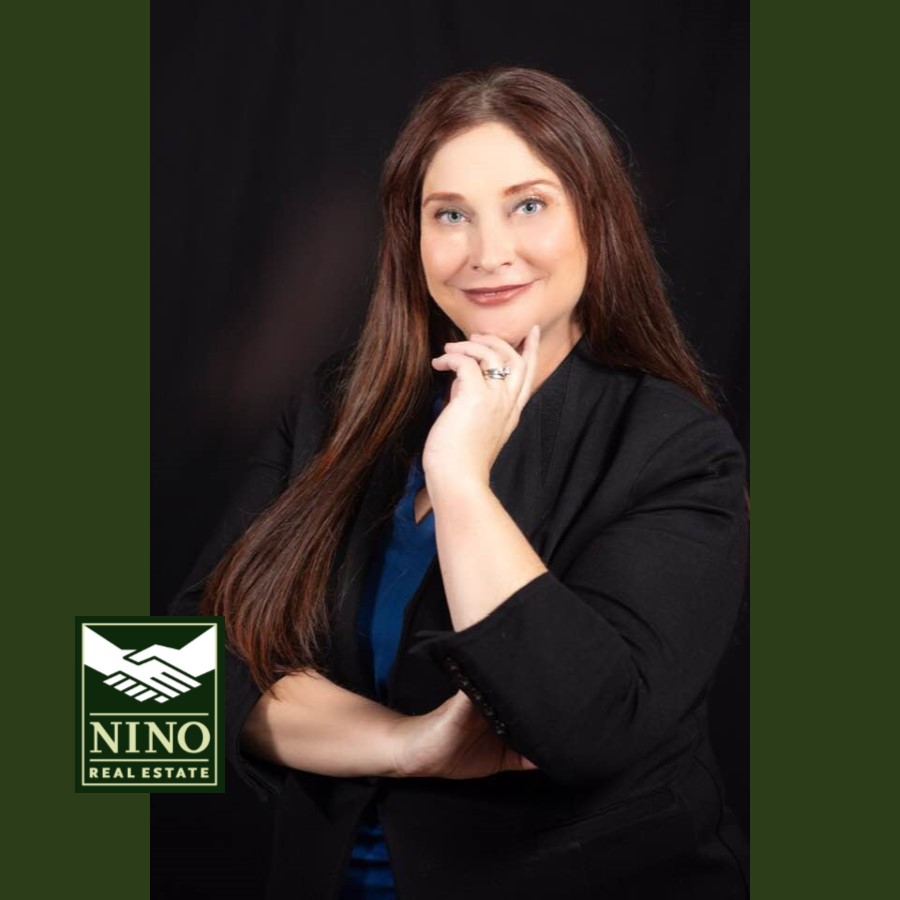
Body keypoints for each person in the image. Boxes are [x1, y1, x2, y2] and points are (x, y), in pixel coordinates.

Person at [170, 66, 749, 899]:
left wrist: (461, 480)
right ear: (411, 237)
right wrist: (405, 744)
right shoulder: (333, 407)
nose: (487, 253)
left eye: (529, 205)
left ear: (596, 219)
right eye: (450, 214)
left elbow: (585, 731)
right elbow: (167, 687)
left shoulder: (677, 446)